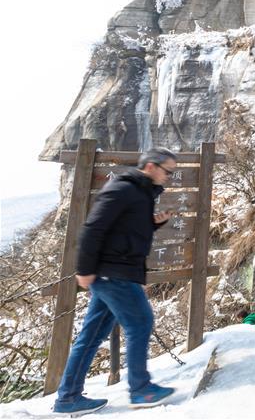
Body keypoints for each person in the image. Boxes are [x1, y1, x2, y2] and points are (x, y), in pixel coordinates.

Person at [53, 148, 179, 415]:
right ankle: (141, 389)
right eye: (168, 171)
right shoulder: (123, 189)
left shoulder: (140, 193)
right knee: (140, 323)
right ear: (150, 167)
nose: (170, 176)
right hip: (113, 273)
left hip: (116, 271)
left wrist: (154, 224)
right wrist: (84, 270)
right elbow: (93, 228)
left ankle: (67, 397)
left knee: (91, 335)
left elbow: (125, 229)